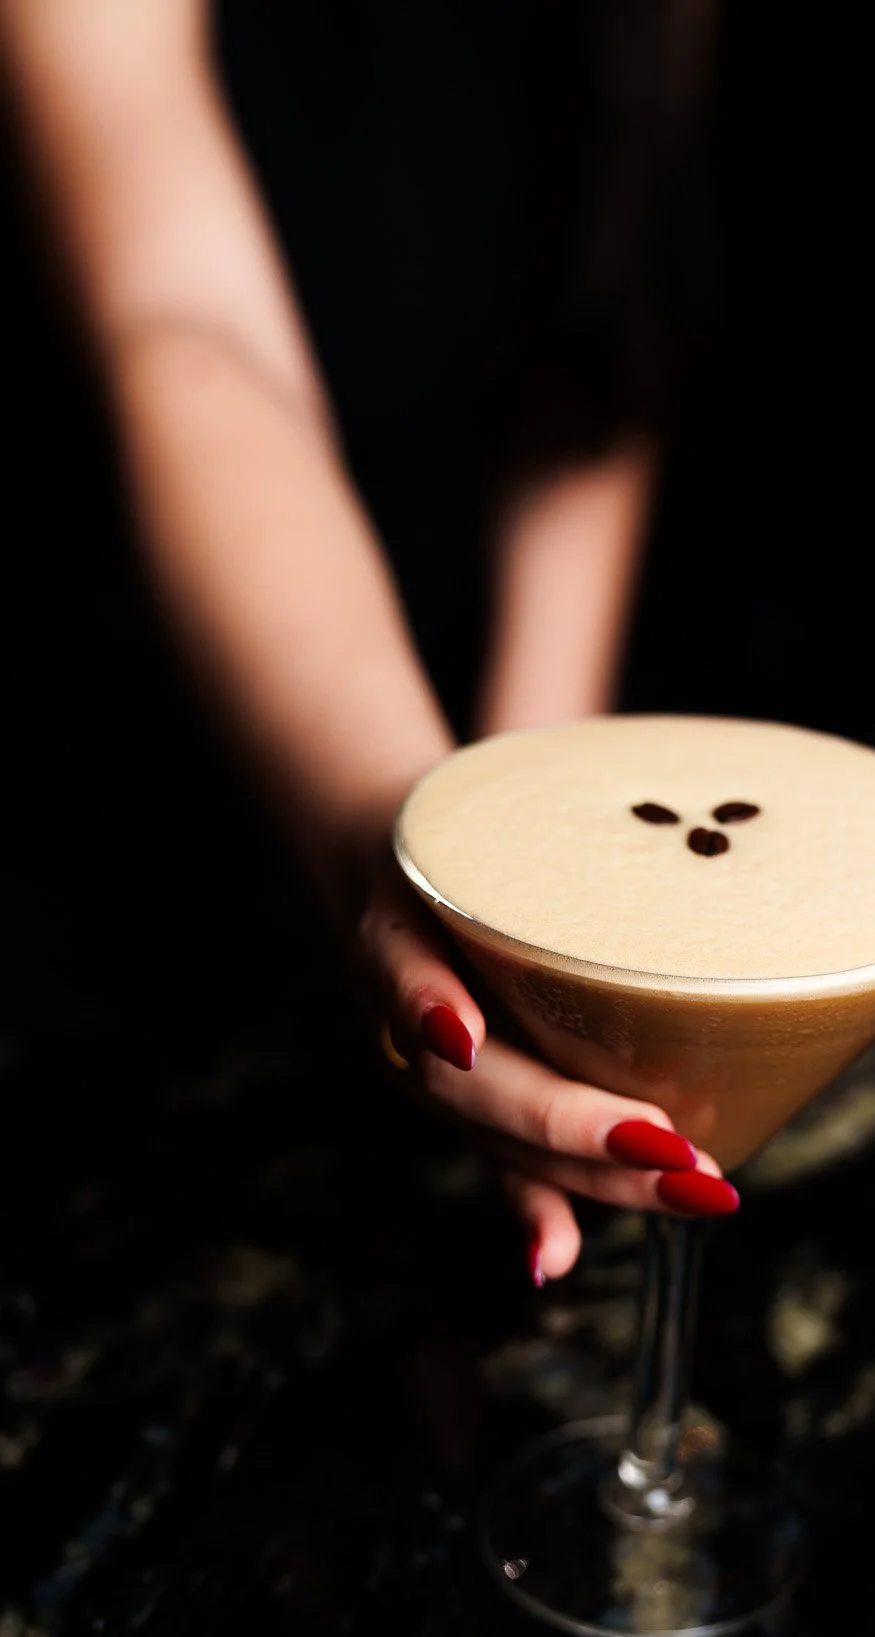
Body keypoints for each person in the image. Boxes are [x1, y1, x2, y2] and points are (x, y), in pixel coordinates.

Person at [0, 0, 738, 1284]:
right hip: (126, 825)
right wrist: (415, 831)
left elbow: (602, 328)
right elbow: (187, 327)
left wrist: (526, 881)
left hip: (441, 759)